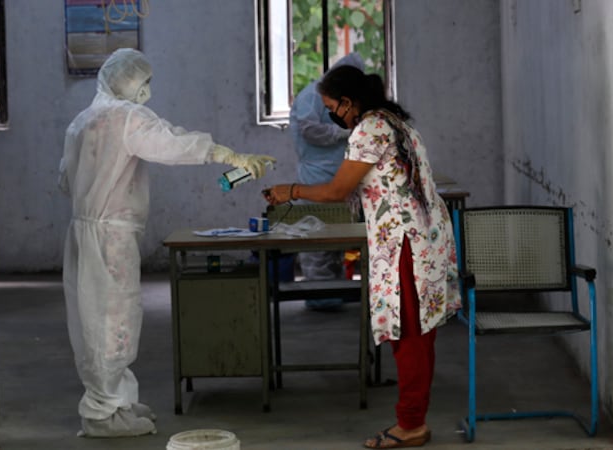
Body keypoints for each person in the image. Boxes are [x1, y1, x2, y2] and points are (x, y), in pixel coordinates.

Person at [57, 48, 275, 438]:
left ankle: (116, 401)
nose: (147, 90)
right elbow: (171, 143)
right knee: (112, 321)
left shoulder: (81, 121)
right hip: (110, 235)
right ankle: (102, 414)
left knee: (94, 320)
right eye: (144, 82)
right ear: (126, 82)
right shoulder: (126, 117)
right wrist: (227, 155)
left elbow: (64, 182)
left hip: (83, 231)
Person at [263, 65, 460, 448]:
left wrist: (291, 191)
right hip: (424, 239)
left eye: (331, 108)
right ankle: (414, 417)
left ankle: (411, 425)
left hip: (405, 244)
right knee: (419, 334)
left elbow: (337, 191)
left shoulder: (370, 128)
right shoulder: (397, 123)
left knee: (410, 335)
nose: (331, 116)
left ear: (348, 102)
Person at [289, 52, 365, 311]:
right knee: (318, 239)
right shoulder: (312, 96)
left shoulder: (348, 102)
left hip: (342, 175)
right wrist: (341, 132)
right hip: (317, 177)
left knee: (338, 239)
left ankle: (335, 292)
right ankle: (321, 296)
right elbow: (309, 130)